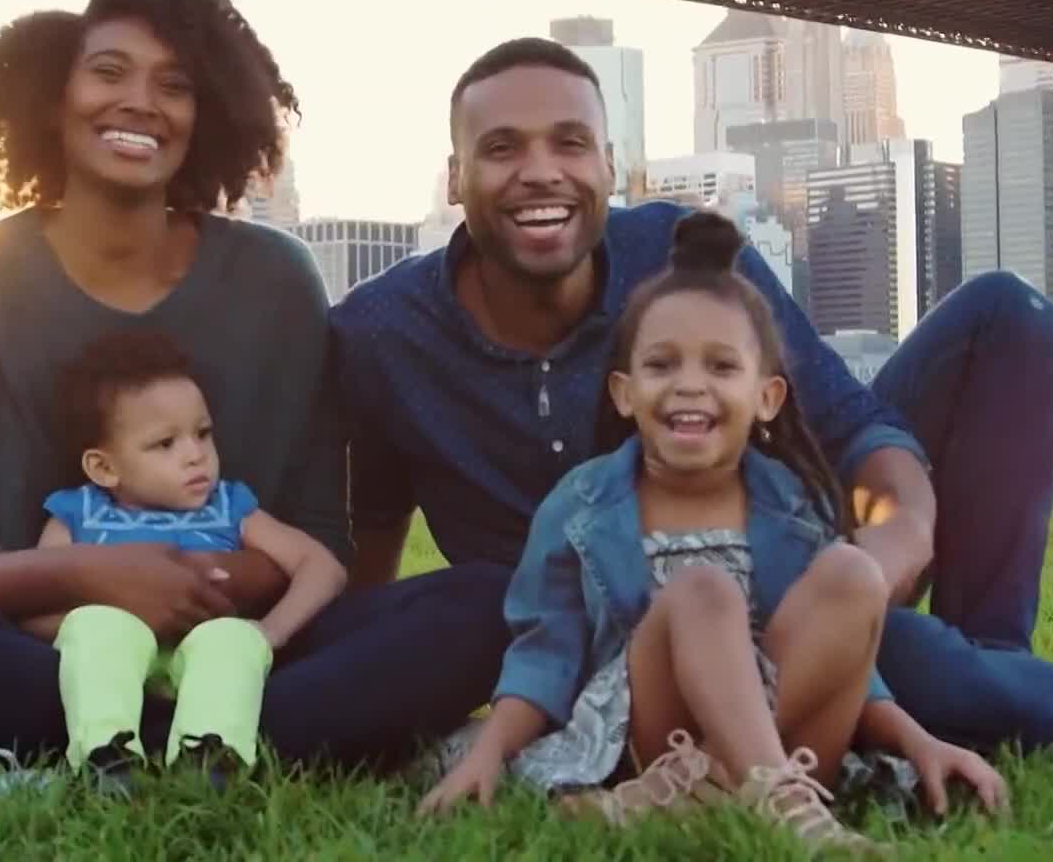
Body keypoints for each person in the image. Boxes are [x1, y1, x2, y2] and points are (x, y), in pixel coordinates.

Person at [331, 35, 1053, 770]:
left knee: (1009, 315)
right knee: (937, 678)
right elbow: (374, 561)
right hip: (614, 654)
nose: (538, 172)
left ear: (611, 165)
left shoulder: (690, 256)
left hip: (788, 599)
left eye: (569, 142)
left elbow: (849, 423)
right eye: (501, 149)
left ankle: (996, 665)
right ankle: (983, 690)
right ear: (455, 177)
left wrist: (888, 544)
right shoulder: (382, 335)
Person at [0, 0, 512, 817]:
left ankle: (69, 763)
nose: (141, 102)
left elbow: (320, 539)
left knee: (486, 603)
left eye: (175, 85)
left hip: (243, 648)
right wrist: (102, 575)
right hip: (43, 648)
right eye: (109, 72)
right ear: (51, 94)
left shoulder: (275, 278)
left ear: (210, 114)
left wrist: (192, 584)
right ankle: (242, 747)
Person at [420, 213, 1004, 854]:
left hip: (799, 741)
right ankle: (785, 810)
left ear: (767, 398)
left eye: (722, 367)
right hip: (653, 733)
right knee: (705, 592)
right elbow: (544, 655)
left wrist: (918, 739)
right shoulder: (581, 506)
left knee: (853, 574)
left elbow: (844, 663)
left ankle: (694, 798)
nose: (689, 385)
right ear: (624, 392)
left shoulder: (791, 503)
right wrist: (490, 754)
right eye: (662, 364)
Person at [27, 331, 346, 775]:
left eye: (203, 433)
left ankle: (211, 757)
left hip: (207, 656)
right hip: (110, 661)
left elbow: (321, 566)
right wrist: (95, 620)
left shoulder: (229, 508)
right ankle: (105, 757)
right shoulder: (77, 514)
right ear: (104, 467)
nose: (196, 456)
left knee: (232, 640)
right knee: (97, 626)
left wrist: (270, 631)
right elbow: (39, 597)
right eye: (165, 444)